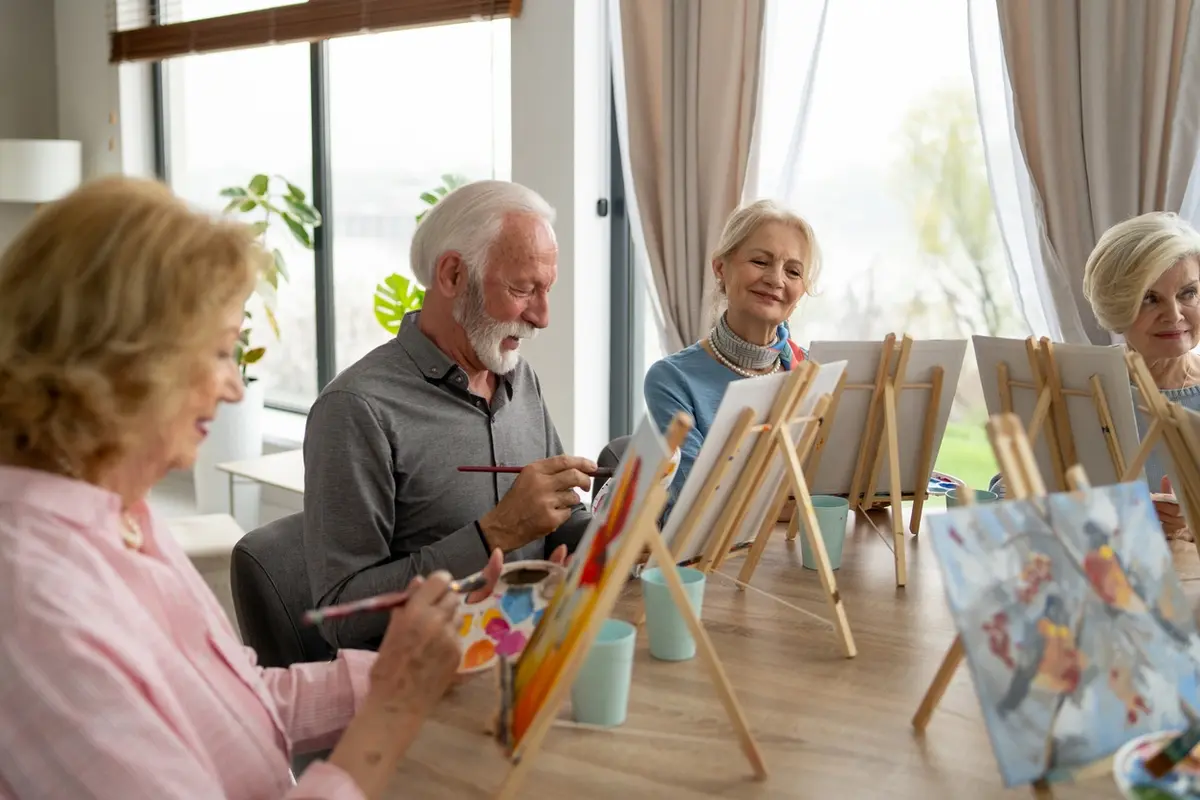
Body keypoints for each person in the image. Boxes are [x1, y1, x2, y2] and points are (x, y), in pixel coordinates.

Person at [0, 176, 464, 798]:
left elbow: (231, 700)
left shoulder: (122, 516)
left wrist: (400, 672)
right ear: (126, 362)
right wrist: (394, 704)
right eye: (221, 352)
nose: (234, 387)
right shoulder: (33, 599)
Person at [304, 180, 594, 651]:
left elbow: (561, 519)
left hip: (528, 654)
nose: (542, 317)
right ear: (453, 275)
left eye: (547, 290)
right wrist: (496, 532)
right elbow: (341, 615)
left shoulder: (521, 381)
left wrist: (622, 533)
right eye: (522, 289)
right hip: (429, 687)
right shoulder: (357, 410)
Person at [989, 211, 1200, 541]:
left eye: (1188, 293)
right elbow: (1007, 491)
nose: (1174, 315)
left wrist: (1192, 527)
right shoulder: (1080, 388)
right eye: (1150, 298)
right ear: (1117, 306)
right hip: (1095, 579)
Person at [643, 199, 820, 519]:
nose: (776, 280)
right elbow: (698, 501)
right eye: (760, 261)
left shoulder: (812, 369)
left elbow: (836, 488)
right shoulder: (670, 379)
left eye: (792, 271)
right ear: (721, 268)